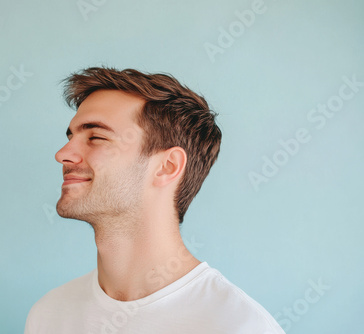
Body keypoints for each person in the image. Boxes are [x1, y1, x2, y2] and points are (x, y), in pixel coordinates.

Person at [24, 67, 285, 334]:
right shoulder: (49, 315)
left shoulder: (238, 326)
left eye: (97, 137)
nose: (63, 154)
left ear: (167, 166)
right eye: (71, 136)